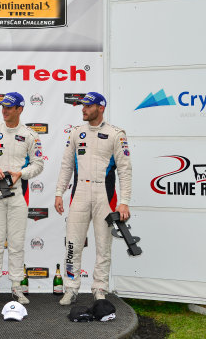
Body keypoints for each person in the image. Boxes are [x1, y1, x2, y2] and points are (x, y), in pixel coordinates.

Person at [54, 92, 132, 305]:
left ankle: (99, 289)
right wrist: (59, 193)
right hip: (79, 193)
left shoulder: (116, 134)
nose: (83, 109)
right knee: (73, 243)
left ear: (101, 108)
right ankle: (70, 288)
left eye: (88, 106)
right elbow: (66, 165)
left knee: (103, 244)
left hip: (105, 196)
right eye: (82, 106)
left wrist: (124, 201)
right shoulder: (76, 132)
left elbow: (125, 170)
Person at [0, 92, 44, 305]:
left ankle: (16, 287)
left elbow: (38, 164)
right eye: (3, 106)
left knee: (17, 244)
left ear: (20, 109)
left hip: (19, 196)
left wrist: (21, 174)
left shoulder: (31, 135)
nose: (4, 110)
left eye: (9, 107)